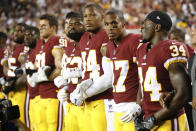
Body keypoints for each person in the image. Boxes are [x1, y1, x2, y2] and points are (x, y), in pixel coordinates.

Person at [135, 11, 190, 130]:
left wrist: (155, 118)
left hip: (169, 120)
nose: (141, 27)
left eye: (145, 23)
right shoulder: (141, 49)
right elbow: (143, 82)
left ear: (157, 26)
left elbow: (184, 93)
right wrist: (138, 108)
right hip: (149, 120)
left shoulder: (170, 48)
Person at [70, 3, 113, 131]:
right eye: (86, 16)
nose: (88, 19)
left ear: (102, 17)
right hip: (87, 100)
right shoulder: (84, 38)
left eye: (93, 15)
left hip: (104, 98)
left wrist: (85, 93)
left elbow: (110, 76)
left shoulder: (108, 35)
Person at [103, 9, 142, 130]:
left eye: (114, 24)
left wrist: (138, 105)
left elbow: (144, 74)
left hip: (132, 105)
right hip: (117, 105)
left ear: (123, 24)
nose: (110, 28)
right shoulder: (110, 45)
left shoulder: (136, 40)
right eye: (107, 24)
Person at [30, 14, 64, 131]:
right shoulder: (39, 43)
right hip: (41, 94)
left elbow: (61, 67)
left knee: (54, 127)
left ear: (53, 28)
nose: (40, 28)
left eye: (44, 26)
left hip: (54, 94)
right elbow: (37, 66)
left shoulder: (57, 40)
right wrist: (32, 75)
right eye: (39, 26)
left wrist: (44, 78)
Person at [54, 11, 85, 131]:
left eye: (75, 23)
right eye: (67, 24)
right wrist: (64, 88)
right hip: (71, 103)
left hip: (88, 102)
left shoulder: (90, 43)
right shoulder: (69, 47)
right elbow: (65, 73)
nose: (70, 26)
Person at [2, 23, 30, 126]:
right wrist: (9, 79)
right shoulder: (11, 49)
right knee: (15, 122)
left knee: (23, 123)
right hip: (11, 89)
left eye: (20, 31)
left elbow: (24, 70)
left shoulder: (26, 48)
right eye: (16, 30)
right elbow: (6, 69)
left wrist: (12, 83)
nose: (16, 33)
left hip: (21, 90)